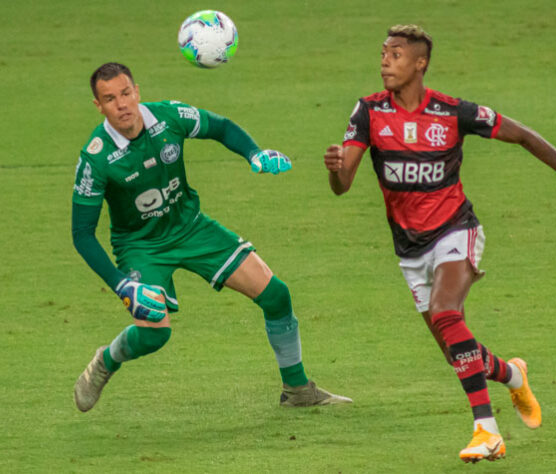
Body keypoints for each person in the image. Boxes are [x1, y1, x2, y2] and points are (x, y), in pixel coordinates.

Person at [324, 25, 556, 463]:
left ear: (420, 64)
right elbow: (342, 185)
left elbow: (522, 134)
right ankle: (512, 374)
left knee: (447, 313)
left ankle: (488, 431)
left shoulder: (452, 112)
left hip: (455, 230)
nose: (385, 60)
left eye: (396, 54)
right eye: (384, 53)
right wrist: (334, 168)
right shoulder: (368, 113)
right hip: (409, 248)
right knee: (455, 350)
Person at [71, 62, 351, 413]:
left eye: (126, 93)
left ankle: (297, 390)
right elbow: (81, 234)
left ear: (137, 91)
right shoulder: (95, 159)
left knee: (276, 295)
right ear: (99, 106)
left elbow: (219, 126)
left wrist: (255, 153)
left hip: (191, 228)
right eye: (110, 99)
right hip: (141, 247)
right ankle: (106, 361)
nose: (122, 104)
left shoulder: (169, 116)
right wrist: (121, 285)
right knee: (156, 333)